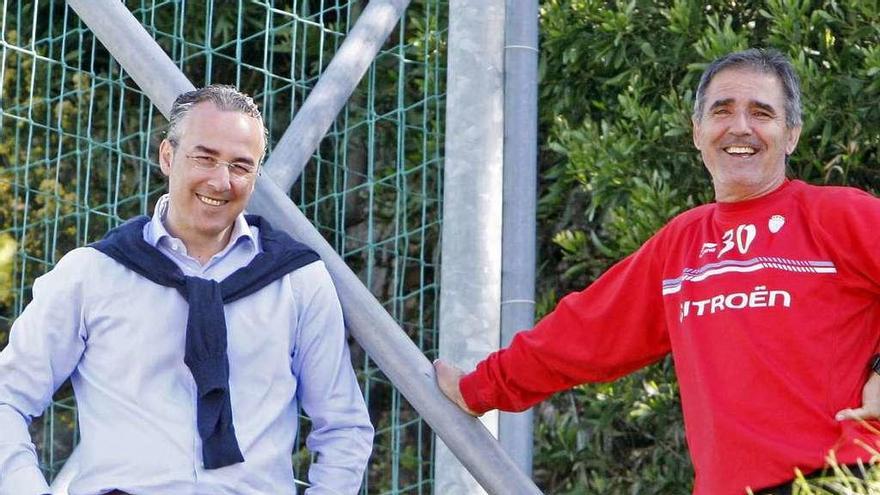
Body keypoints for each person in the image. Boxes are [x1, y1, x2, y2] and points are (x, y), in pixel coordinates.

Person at [435, 48, 880, 495]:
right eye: (722, 110)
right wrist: (480, 388)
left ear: (791, 135)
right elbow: (584, 332)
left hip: (844, 476)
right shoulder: (680, 247)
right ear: (697, 131)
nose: (740, 126)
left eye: (762, 112)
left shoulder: (839, 215)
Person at [0, 85, 373, 495]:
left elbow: (344, 426)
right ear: (167, 156)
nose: (220, 181)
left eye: (240, 166)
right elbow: (8, 396)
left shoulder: (297, 279)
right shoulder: (92, 275)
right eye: (205, 157)